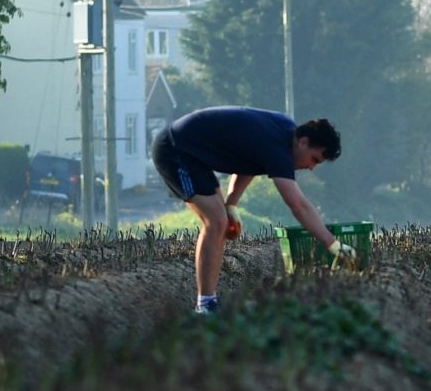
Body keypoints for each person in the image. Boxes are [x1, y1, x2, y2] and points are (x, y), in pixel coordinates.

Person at [150, 106, 353, 314]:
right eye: (314, 159)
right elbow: (298, 206)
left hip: (195, 156)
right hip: (175, 149)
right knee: (216, 222)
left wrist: (232, 204)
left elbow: (249, 161)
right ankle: (205, 305)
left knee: (222, 220)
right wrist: (332, 243)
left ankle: (209, 301)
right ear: (303, 142)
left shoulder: (285, 132)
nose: (311, 168)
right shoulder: (278, 149)